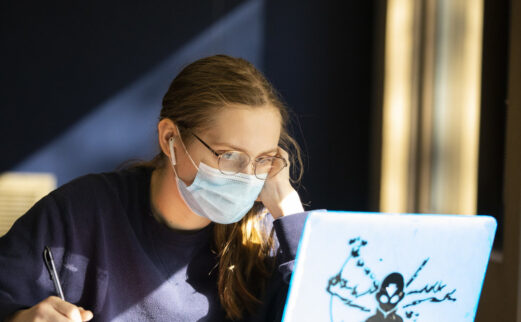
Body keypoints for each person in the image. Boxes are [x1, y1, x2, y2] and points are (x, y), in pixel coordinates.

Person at [0, 55, 310, 321]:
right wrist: (19, 317)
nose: (246, 176)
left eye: (263, 160)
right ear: (169, 138)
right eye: (229, 155)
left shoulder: (264, 237)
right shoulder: (80, 215)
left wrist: (289, 211)